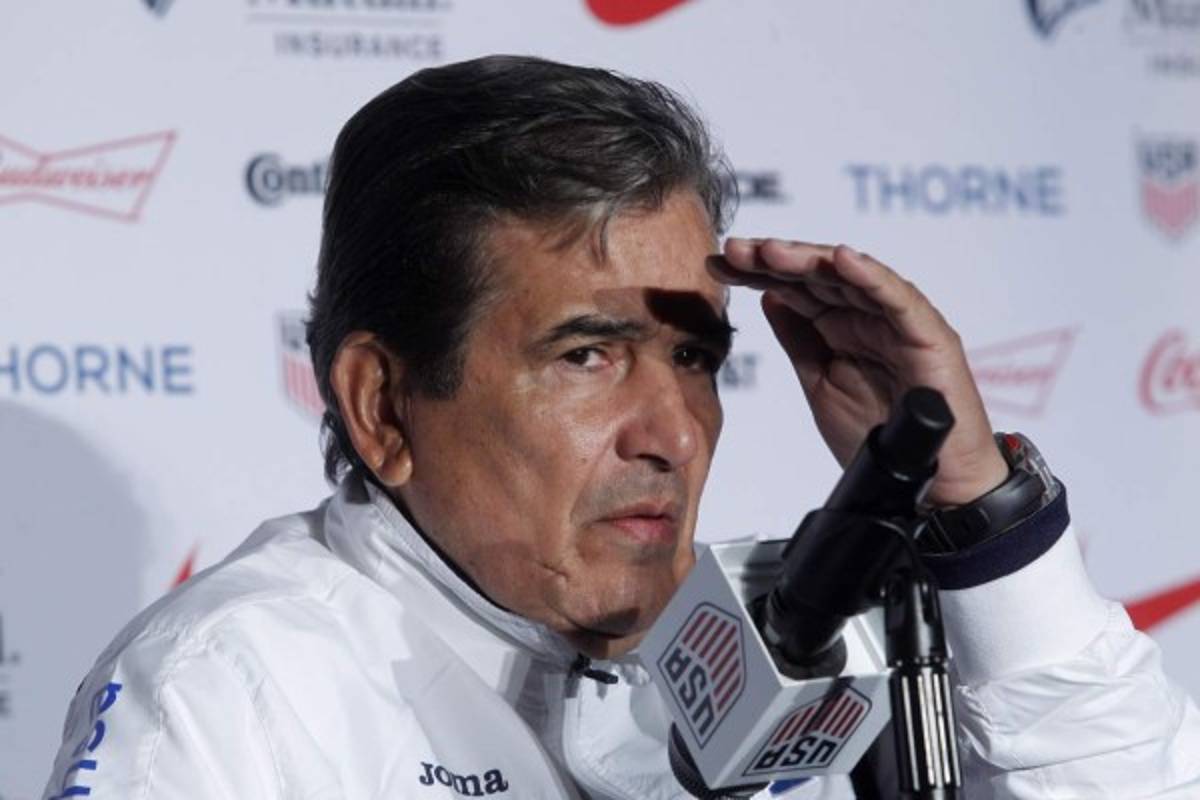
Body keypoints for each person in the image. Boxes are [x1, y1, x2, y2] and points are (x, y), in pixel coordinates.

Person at [44, 56, 1200, 799]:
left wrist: (978, 514)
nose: (674, 433)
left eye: (694, 357)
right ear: (383, 406)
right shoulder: (235, 688)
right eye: (586, 355)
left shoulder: (788, 647)